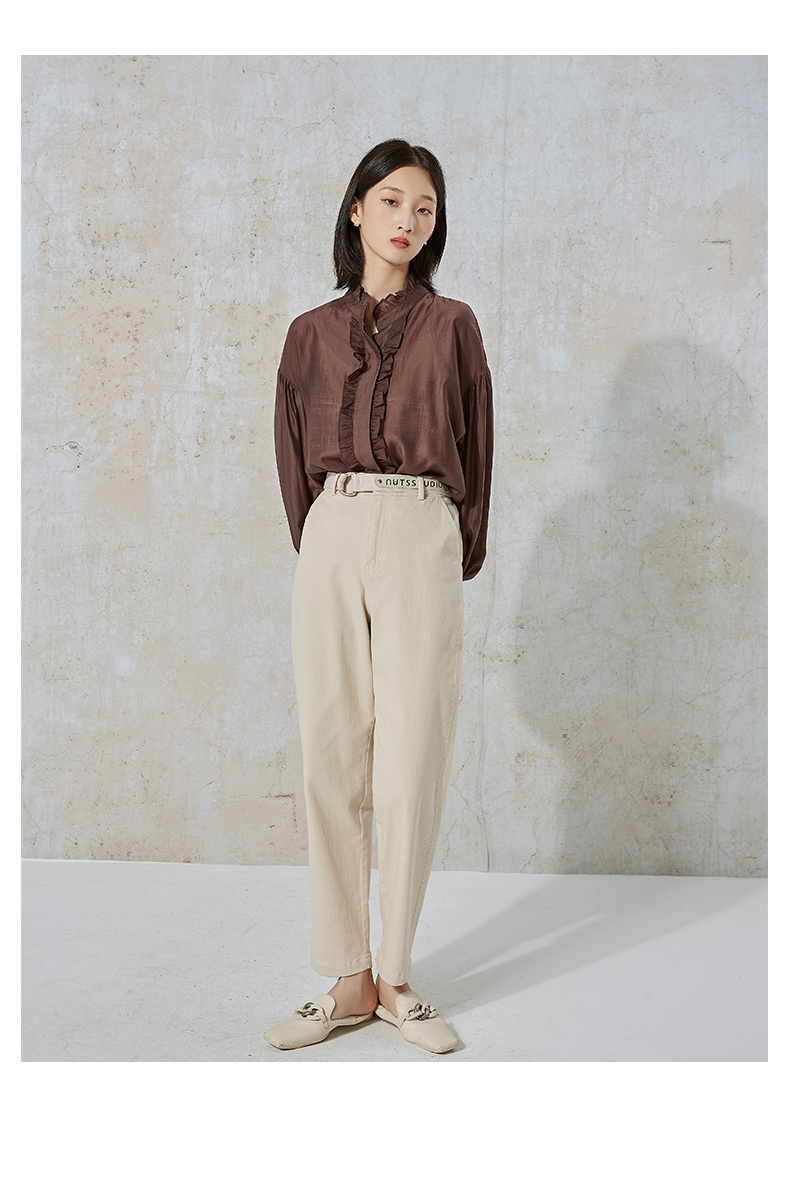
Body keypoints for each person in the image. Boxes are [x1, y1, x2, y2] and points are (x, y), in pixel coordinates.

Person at [264, 139, 494, 1054]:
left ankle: (395, 975)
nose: (408, 220)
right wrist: (326, 539)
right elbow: (293, 453)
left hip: (421, 526)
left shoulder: (454, 324)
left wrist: (450, 546)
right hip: (334, 525)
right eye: (392, 200)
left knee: (411, 758)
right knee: (330, 753)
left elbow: (477, 445)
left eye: (425, 208)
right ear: (356, 209)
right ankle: (346, 977)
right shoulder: (309, 334)